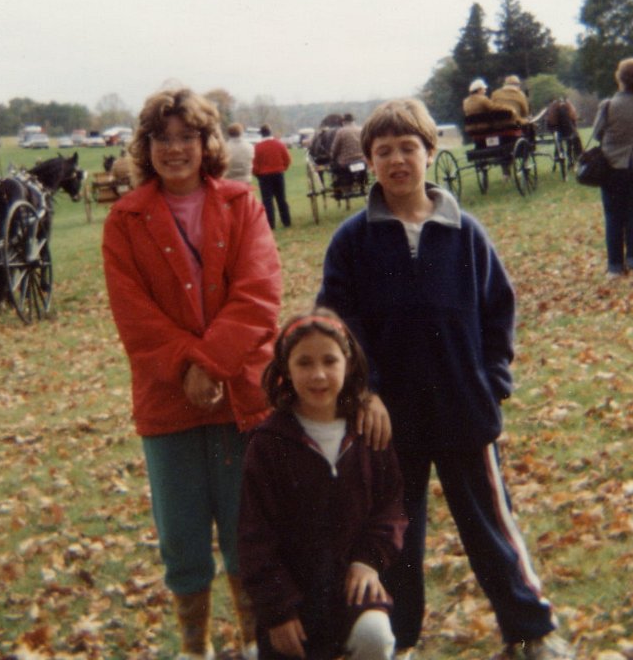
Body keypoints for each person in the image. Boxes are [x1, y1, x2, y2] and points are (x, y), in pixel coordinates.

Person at [317, 98, 576, 660]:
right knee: (395, 534)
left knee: (491, 525)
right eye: (384, 151)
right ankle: (397, 639)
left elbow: (498, 310)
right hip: (388, 419)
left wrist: (493, 380)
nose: (397, 160)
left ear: (431, 152)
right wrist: (364, 391)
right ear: (369, 160)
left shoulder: (465, 232)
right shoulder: (353, 240)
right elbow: (336, 324)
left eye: (408, 148)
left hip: (463, 406)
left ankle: (531, 630)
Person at [102, 88, 283, 660]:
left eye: (187, 137)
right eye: (162, 138)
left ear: (208, 144)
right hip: (168, 398)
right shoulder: (125, 220)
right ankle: (194, 649)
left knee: (246, 528)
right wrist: (189, 367)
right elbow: (134, 315)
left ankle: (254, 644)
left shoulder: (242, 203)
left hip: (241, 393)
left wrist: (211, 364)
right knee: (181, 538)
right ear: (145, 146)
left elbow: (259, 294)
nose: (174, 148)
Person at [238, 308, 407, 660]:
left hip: (353, 591)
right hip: (293, 603)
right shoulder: (268, 444)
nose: (318, 375)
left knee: (375, 637)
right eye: (304, 363)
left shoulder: (367, 432)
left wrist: (368, 561)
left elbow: (390, 508)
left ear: (349, 364)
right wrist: (278, 610)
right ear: (285, 369)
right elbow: (254, 537)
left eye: (330, 361)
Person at [592, 58, 633, 276]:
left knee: (613, 215)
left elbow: (597, 134)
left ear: (620, 78)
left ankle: (615, 266)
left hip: (614, 165)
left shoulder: (608, 105)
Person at [252, 124, 292, 229]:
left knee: (267, 200)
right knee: (281, 198)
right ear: (270, 132)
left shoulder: (257, 147)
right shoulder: (279, 144)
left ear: (261, 134)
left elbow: (254, 164)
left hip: (264, 176)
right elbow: (287, 159)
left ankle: (270, 224)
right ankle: (286, 221)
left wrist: (257, 173)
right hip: (278, 173)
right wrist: (282, 168)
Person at [330, 113, 365, 189]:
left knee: (334, 168)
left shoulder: (341, 132)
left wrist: (332, 157)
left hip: (346, 163)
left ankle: (338, 185)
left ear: (343, 122)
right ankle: (362, 183)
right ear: (353, 121)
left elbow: (335, 148)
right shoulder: (361, 130)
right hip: (362, 161)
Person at [461, 78, 496, 148]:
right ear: (479, 90)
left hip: (471, 129)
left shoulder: (465, 101)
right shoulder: (483, 99)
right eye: (484, 89)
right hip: (484, 128)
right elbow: (494, 108)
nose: (485, 91)